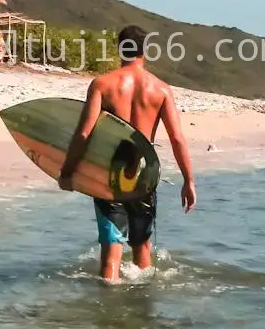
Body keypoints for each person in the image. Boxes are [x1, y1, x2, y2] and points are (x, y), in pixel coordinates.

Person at [58, 24, 198, 283]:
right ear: (146, 51)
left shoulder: (102, 84)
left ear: (120, 48)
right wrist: (188, 180)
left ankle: (109, 309)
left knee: (112, 252)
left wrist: (68, 171)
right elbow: (177, 138)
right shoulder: (161, 89)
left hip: (109, 172)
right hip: (143, 173)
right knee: (142, 249)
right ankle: (142, 310)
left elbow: (83, 134)